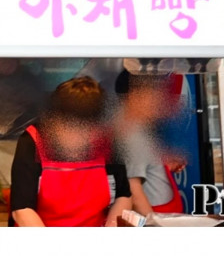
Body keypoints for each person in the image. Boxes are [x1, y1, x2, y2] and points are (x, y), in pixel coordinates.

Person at [9, 75, 144, 226]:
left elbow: (123, 196)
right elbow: (22, 209)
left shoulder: (108, 141)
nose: (76, 137)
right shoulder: (32, 142)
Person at [114, 67, 187, 216]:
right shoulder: (132, 136)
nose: (159, 100)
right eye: (153, 94)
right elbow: (133, 191)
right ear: (134, 97)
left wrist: (162, 164)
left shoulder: (142, 131)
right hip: (155, 214)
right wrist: (154, 224)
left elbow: (142, 167)